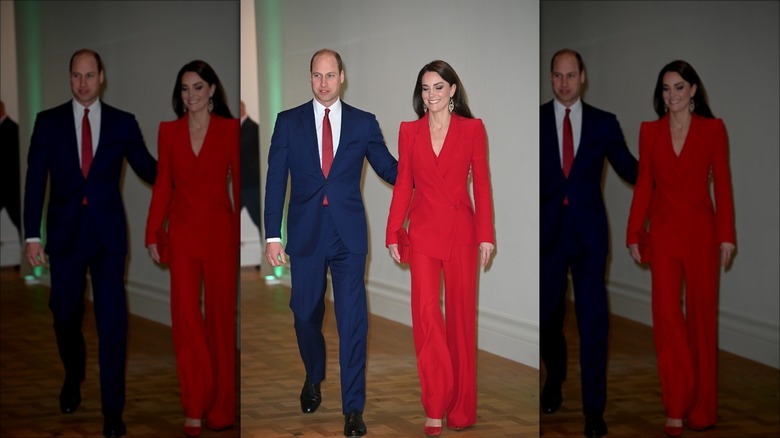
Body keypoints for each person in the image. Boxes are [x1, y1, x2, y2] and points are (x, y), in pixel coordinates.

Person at [263, 48, 398, 438]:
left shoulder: (363, 123)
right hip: (305, 232)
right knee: (305, 313)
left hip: (348, 234)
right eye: (317, 76)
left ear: (342, 77)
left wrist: (427, 168)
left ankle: (353, 408)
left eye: (330, 75)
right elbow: (275, 181)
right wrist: (274, 235)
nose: (324, 83)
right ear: (310, 78)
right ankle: (314, 374)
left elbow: (389, 168)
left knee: (353, 321)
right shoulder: (288, 122)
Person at [23, 48, 157, 438]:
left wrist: (190, 161)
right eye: (76, 76)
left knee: (112, 323)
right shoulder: (47, 123)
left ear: (101, 77)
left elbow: (149, 169)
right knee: (64, 315)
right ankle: (73, 373)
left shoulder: (122, 123)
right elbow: (35, 184)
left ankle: (112, 411)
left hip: (107, 239)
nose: (82, 83)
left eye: (89, 75)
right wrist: (33, 235)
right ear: (70, 78)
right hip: (64, 237)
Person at [385, 60, 495, 436]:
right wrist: (392, 230)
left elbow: (481, 184)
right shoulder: (409, 131)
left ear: (452, 90)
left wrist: (486, 234)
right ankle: (435, 405)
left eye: (437, 87)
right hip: (424, 234)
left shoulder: (472, 129)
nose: (430, 95)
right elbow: (403, 185)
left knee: (461, 323)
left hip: (463, 233)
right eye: (425, 88)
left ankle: (461, 409)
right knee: (427, 318)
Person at [626, 60, 735, 438]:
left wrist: (727, 235)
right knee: (668, 321)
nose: (671, 95)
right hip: (665, 236)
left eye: (678, 87)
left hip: (703, 236)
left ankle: (703, 409)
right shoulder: (649, 132)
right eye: (665, 89)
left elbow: (722, 183)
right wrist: (633, 231)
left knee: (702, 323)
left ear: (692, 90)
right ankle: (675, 406)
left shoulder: (713, 130)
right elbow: (644, 185)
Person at [539, 48, 638, 438]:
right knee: (549, 319)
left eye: (570, 75)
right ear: (552, 78)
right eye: (557, 76)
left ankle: (594, 411)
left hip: (590, 240)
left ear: (583, 77)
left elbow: (631, 169)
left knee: (594, 324)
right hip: (547, 236)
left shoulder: (603, 123)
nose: (564, 83)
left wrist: (674, 169)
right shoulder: (537, 120)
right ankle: (554, 378)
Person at [145, 60, 240, 437]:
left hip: (220, 237)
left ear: (212, 90)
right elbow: (162, 184)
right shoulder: (168, 131)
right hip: (182, 236)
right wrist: (154, 232)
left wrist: (250, 235)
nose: (191, 96)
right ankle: (195, 407)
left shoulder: (230, 130)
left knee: (220, 322)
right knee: (186, 321)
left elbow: (242, 184)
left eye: (198, 87)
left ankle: (221, 409)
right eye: (185, 89)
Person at [240, 100, 263, 262]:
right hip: (239, 184)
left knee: (260, 221)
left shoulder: (252, 128)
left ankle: (267, 258)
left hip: (251, 184)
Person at [1, 99, 22, 244]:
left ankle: (30, 255)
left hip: (10, 186)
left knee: (19, 221)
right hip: (6, 186)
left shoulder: (12, 129)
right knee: (19, 221)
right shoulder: (12, 128)